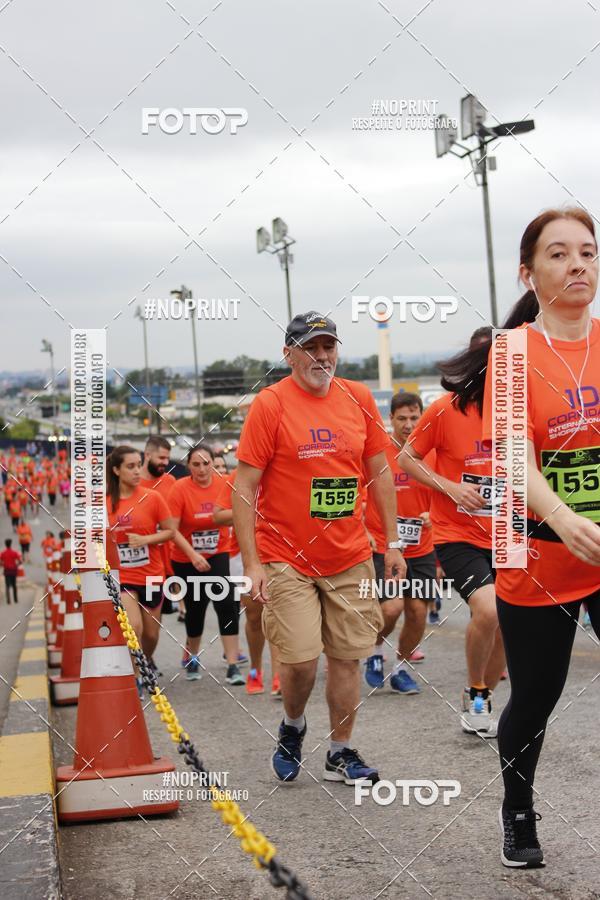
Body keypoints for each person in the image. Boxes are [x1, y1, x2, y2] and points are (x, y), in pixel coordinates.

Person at [233, 311, 405, 785]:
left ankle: (340, 752)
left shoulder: (358, 397)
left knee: (347, 658)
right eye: (310, 348)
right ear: (288, 355)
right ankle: (293, 725)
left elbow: (380, 472)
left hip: (349, 554)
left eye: (329, 346)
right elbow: (244, 486)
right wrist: (251, 563)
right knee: (301, 660)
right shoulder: (270, 405)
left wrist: (392, 542)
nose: (322, 356)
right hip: (285, 556)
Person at [480, 207, 600, 868]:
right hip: (536, 552)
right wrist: (562, 518)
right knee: (535, 699)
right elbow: (513, 462)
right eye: (559, 254)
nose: (577, 264)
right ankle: (518, 810)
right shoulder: (512, 354)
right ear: (528, 274)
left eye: (587, 251)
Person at [399, 328, 505, 738]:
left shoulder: (516, 410)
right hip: (457, 533)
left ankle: (482, 695)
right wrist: (452, 488)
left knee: (509, 623)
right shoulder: (444, 410)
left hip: (510, 533)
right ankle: (476, 691)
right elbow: (406, 459)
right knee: (489, 610)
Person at [363, 392, 436, 695]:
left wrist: (433, 514)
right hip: (385, 544)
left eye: (414, 418)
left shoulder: (430, 452)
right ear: (390, 418)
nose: (408, 424)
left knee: (418, 613)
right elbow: (357, 492)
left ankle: (400, 669)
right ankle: (374, 653)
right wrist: (361, 529)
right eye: (402, 418)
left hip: (421, 546)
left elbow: (444, 490)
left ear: (422, 417)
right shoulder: (377, 452)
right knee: (392, 608)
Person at [169, 445, 245, 685]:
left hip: (217, 552)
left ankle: (232, 664)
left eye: (206, 463)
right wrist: (193, 555)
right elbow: (171, 530)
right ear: (188, 466)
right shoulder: (180, 489)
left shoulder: (224, 483)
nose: (202, 469)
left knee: (226, 604)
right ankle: (193, 657)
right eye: (196, 464)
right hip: (185, 557)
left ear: (214, 463)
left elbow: (238, 512)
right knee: (195, 608)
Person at [106, 445, 175, 696]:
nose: (137, 471)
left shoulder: (152, 498)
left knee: (151, 635)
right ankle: (134, 676)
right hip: (123, 577)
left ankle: (143, 663)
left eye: (138, 465)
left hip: (152, 574)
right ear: (116, 470)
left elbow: (170, 531)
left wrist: (146, 540)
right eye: (130, 467)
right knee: (134, 626)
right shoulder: (105, 503)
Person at [213, 470, 278, 696]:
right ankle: (255, 669)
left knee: (279, 614)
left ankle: (279, 674)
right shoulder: (240, 475)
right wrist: (252, 511)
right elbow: (218, 516)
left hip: (279, 550)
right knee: (254, 616)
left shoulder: (284, 469)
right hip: (245, 553)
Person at [1, 538, 22, 604]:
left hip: (6, 570)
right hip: (13, 570)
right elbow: (20, 561)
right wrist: (16, 565)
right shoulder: (14, 552)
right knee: (14, 585)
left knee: (7, 585)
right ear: (11, 544)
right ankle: (15, 599)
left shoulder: (3, 553)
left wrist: (3, 565)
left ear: (5, 544)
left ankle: (8, 600)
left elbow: (0, 561)